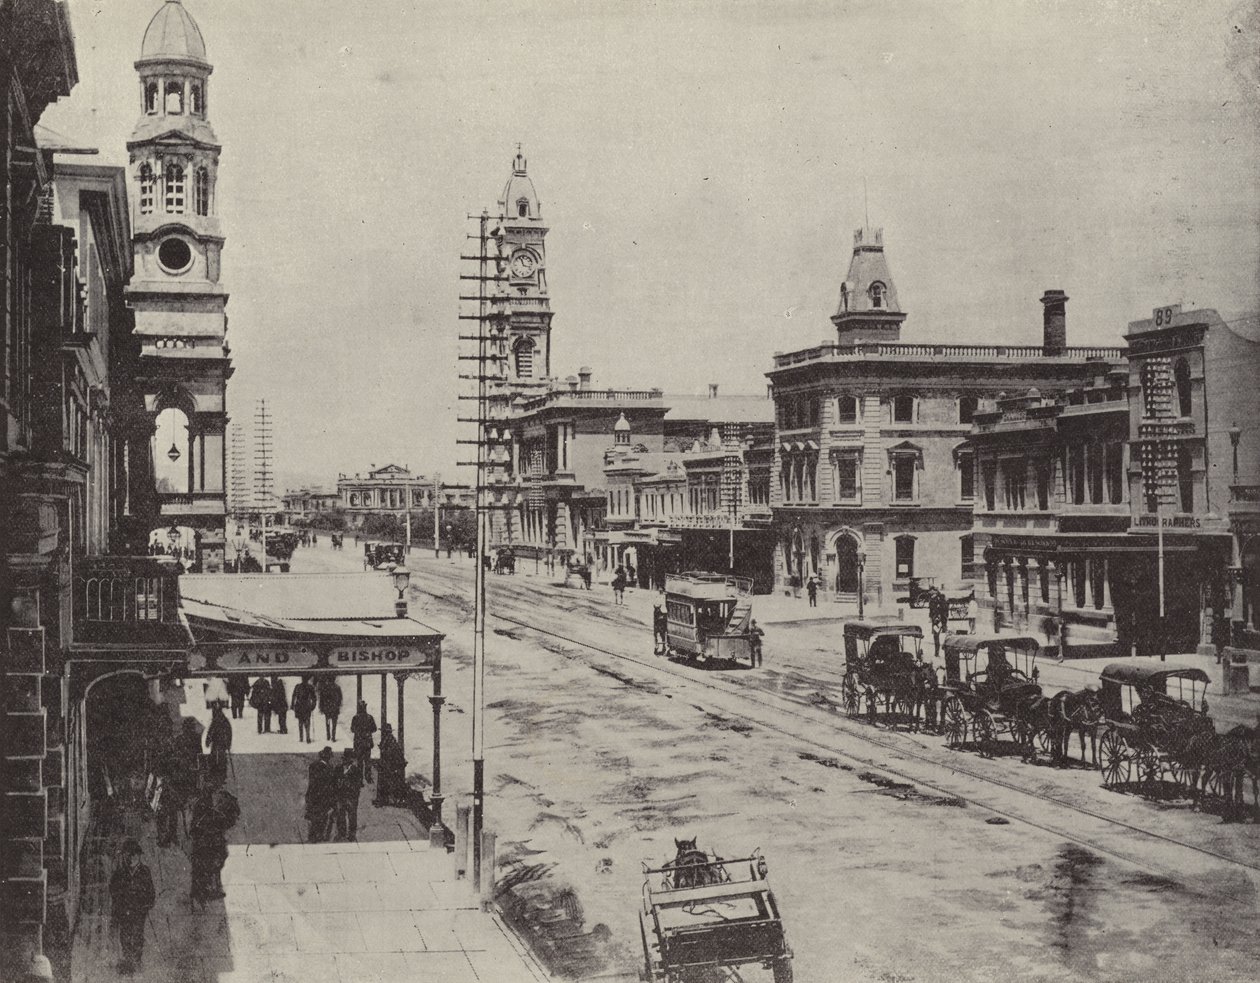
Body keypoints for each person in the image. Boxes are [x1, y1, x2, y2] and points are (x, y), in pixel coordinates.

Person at [109, 839, 155, 976]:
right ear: (124, 856)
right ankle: (128, 961)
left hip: (138, 912)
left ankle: (137, 959)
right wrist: (118, 904)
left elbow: (151, 892)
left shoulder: (145, 872)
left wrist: (147, 905)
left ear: (139, 856)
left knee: (138, 935)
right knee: (125, 935)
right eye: (128, 855)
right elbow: (113, 889)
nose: (131, 858)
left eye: (134, 855)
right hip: (124, 911)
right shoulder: (119, 873)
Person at [189, 789, 227, 903]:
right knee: (208, 869)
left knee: (206, 869)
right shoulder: (209, 816)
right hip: (206, 848)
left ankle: (201, 889)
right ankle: (205, 890)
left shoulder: (204, 814)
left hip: (205, 847)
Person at [305, 747, 336, 843]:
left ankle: (314, 836)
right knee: (322, 816)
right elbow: (329, 784)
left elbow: (312, 782)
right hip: (323, 796)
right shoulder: (329, 768)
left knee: (316, 816)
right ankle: (318, 836)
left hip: (314, 795)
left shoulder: (313, 765)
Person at [374, 723, 407, 806]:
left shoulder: (390, 740)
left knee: (387, 782)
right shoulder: (387, 739)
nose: (383, 733)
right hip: (389, 764)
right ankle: (383, 799)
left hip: (391, 765)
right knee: (384, 781)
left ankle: (384, 800)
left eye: (384, 731)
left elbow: (390, 753)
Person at [334, 748, 363, 841]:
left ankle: (352, 834)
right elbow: (333, 781)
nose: (344, 761)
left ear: (350, 760)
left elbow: (358, 784)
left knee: (352, 816)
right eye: (344, 759)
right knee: (340, 815)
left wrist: (350, 786)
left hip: (351, 797)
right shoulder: (338, 768)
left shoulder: (356, 770)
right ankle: (341, 833)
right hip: (340, 796)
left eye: (347, 759)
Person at [350, 700, 378, 784]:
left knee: (359, 761)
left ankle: (360, 779)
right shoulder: (370, 717)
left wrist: (359, 731)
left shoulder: (355, 718)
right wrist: (367, 731)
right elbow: (374, 729)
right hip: (367, 743)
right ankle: (368, 777)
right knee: (367, 761)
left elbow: (352, 729)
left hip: (358, 743)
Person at [205, 705, 232, 787]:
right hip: (218, 743)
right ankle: (217, 775)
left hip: (220, 743)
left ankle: (218, 776)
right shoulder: (223, 721)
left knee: (219, 759)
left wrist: (208, 741)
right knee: (217, 759)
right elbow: (211, 732)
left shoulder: (220, 721)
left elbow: (211, 732)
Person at [291, 676, 318, 744]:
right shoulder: (308, 687)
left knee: (302, 722)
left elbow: (294, 696)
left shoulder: (299, 686)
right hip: (304, 706)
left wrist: (292, 705)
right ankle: (306, 737)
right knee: (306, 722)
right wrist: (313, 706)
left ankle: (303, 737)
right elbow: (314, 698)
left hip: (302, 706)